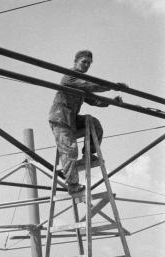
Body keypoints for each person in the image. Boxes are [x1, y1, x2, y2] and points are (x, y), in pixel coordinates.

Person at [48, 50, 126, 194]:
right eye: (84, 62)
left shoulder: (81, 84)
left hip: (72, 119)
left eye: (89, 63)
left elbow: (94, 99)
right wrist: (112, 86)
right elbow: (91, 86)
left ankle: (88, 155)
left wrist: (112, 101)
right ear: (75, 61)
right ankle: (72, 185)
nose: (86, 65)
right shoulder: (69, 77)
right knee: (70, 150)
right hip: (60, 118)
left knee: (94, 123)